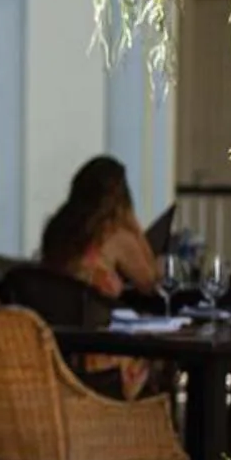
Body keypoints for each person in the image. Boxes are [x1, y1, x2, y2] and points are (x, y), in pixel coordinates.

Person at [38, 156, 160, 397]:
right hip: (102, 359)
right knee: (161, 358)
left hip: (60, 352)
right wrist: (134, 226)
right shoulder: (113, 233)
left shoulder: (57, 229)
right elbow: (152, 283)